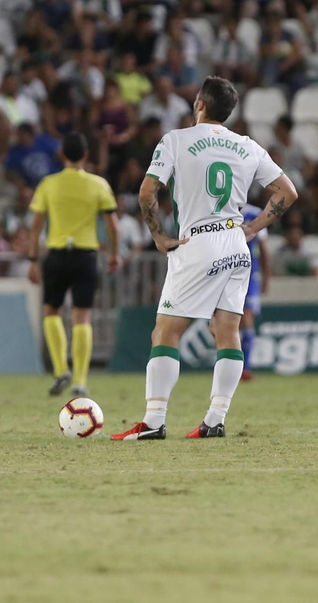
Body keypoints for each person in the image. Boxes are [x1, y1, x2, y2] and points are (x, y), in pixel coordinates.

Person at [113, 76, 297, 440]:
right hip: (235, 242)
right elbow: (287, 192)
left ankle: (153, 421)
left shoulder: (176, 140)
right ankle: (215, 419)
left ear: (199, 103)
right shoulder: (247, 146)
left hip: (198, 241)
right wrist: (253, 227)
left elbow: (148, 192)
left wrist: (158, 236)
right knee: (227, 331)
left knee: (165, 332)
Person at [28, 132, 120, 398]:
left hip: (57, 255)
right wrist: (114, 254)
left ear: (61, 155)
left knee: (51, 311)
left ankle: (60, 371)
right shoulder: (98, 184)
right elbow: (112, 227)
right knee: (83, 317)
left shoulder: (48, 184)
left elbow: (36, 227)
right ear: (86, 155)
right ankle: (80, 380)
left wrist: (33, 260)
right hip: (85, 256)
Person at [238, 200, 270, 381]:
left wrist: (267, 277)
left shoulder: (255, 214)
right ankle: (233, 366)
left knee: (246, 318)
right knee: (229, 321)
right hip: (225, 272)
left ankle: (246, 367)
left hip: (249, 273)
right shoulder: (220, 210)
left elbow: (263, 248)